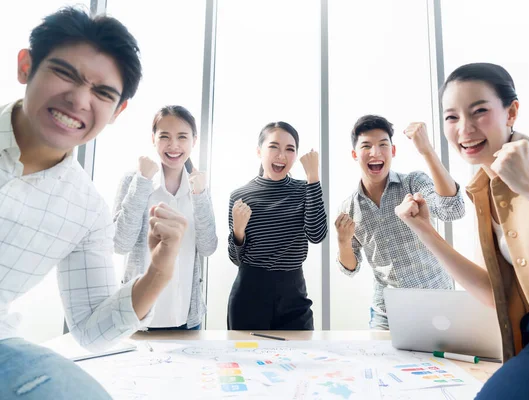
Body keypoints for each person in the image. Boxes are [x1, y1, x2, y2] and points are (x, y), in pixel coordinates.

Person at [0, 7, 187, 399]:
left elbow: (91, 328)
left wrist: (159, 271)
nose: (78, 100)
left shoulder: (85, 209)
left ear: (118, 111)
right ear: (25, 66)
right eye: (65, 73)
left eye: (102, 93)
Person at [396, 62, 529, 398]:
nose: (465, 129)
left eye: (479, 111)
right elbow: (497, 295)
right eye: (452, 117)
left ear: (511, 112)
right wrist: (425, 232)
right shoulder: (481, 192)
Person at [335, 115, 465, 329]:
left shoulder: (413, 183)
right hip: (386, 313)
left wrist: (427, 151)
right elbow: (350, 269)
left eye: (383, 145)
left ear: (393, 151)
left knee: (445, 363)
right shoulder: (348, 208)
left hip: (437, 303)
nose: (375, 153)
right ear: (354, 154)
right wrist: (343, 242)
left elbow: (453, 210)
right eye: (366, 146)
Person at [113, 105, 217, 331]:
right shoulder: (134, 180)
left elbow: (208, 248)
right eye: (164, 137)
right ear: (153, 139)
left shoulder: (199, 186)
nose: (174, 145)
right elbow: (120, 244)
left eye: (182, 137)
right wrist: (141, 182)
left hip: (186, 318)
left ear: (194, 141)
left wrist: (200, 195)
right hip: (139, 316)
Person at [227, 122, 327, 330]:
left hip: (294, 294)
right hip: (249, 293)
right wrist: (238, 231)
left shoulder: (305, 189)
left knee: (299, 359)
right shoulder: (240, 196)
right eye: (274, 147)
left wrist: (313, 178)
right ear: (259, 151)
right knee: (248, 361)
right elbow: (236, 259)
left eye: (290, 149)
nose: (282, 155)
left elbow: (316, 235)